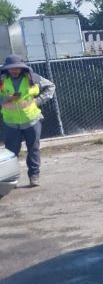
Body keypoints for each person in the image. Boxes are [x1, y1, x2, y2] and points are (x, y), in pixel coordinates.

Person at [1, 54, 55, 187]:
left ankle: (34, 176)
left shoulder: (31, 77)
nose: (14, 71)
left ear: (21, 68)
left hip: (32, 120)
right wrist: (4, 100)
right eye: (11, 68)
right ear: (6, 69)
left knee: (33, 149)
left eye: (17, 68)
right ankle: (9, 181)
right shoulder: (1, 80)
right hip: (11, 123)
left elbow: (50, 86)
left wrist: (38, 100)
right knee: (11, 153)